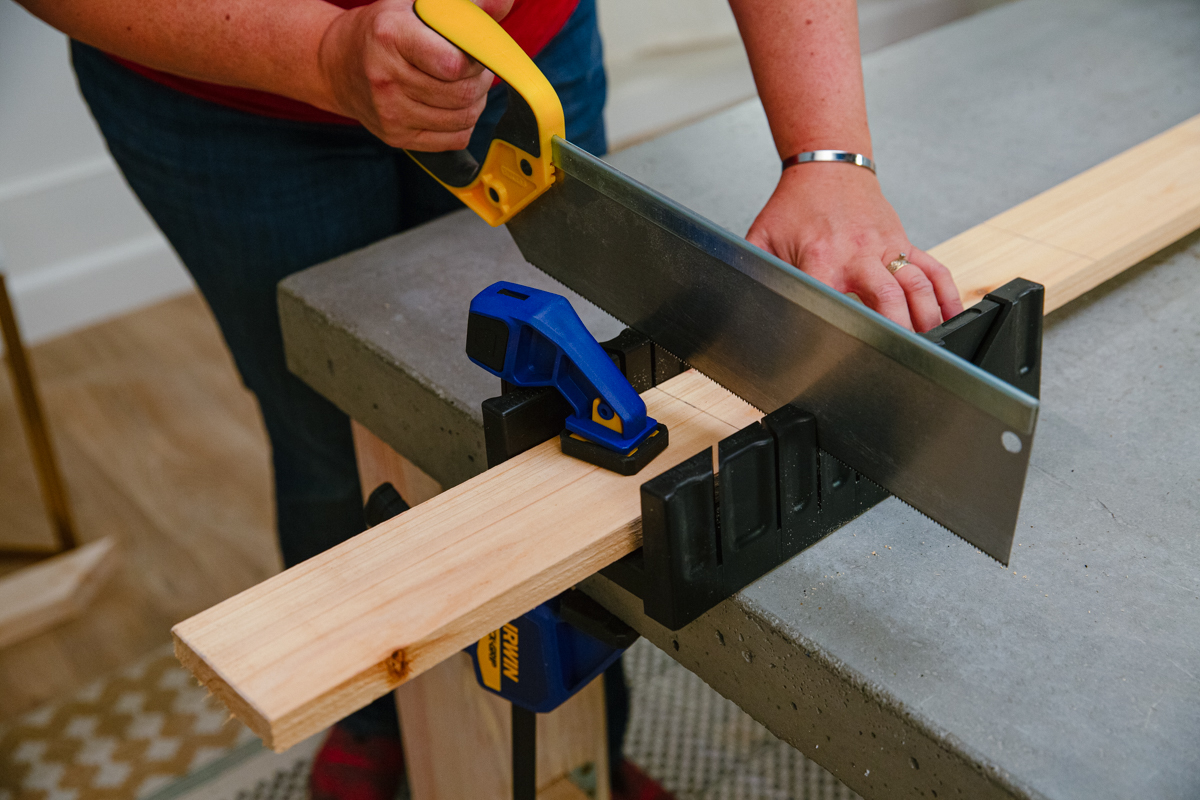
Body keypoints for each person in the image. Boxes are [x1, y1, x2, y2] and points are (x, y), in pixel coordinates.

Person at [16, 0, 965, 798]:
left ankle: (585, 742)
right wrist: (313, 54)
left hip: (515, 68)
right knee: (322, 426)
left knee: (579, 449)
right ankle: (383, 724)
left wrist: (827, 158)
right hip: (223, 96)